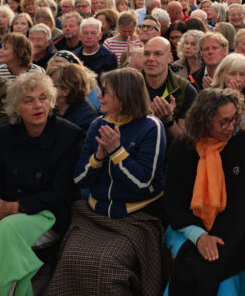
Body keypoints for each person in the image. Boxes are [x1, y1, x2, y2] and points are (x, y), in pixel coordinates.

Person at [0, 72, 82, 296]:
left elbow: (61, 193)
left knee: (5, 230)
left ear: (51, 101)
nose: (38, 105)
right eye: (28, 100)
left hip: (47, 214)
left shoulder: (69, 135)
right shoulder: (5, 134)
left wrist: (16, 207)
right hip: (6, 210)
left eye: (43, 98)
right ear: (17, 109)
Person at [46, 68, 168, 296]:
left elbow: (143, 184)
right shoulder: (98, 125)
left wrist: (117, 152)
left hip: (135, 218)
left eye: (105, 92)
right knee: (71, 258)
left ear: (123, 96)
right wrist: (99, 156)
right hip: (95, 215)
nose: (99, 96)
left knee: (105, 264)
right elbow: (79, 179)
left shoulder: (151, 127)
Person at [163, 89, 245, 296]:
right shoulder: (183, 146)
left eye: (234, 119)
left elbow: (241, 202)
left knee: (211, 270)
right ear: (204, 120)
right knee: (191, 265)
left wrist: (217, 241)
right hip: (187, 224)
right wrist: (200, 236)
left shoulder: (241, 140)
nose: (231, 127)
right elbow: (174, 201)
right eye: (223, 122)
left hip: (236, 226)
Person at [210, 53, 245, 179]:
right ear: (221, 75)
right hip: (215, 163)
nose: (238, 79)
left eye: (242, 74)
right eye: (232, 74)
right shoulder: (210, 96)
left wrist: (240, 106)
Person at [141, 36, 197, 143]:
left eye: (158, 54)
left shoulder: (186, 90)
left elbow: (185, 143)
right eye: (146, 53)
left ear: (169, 58)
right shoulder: (131, 86)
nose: (151, 58)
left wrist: (168, 120)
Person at [46, 56, 99, 131]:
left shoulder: (86, 116)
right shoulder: (52, 108)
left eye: (51, 85)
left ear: (65, 91)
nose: (46, 89)